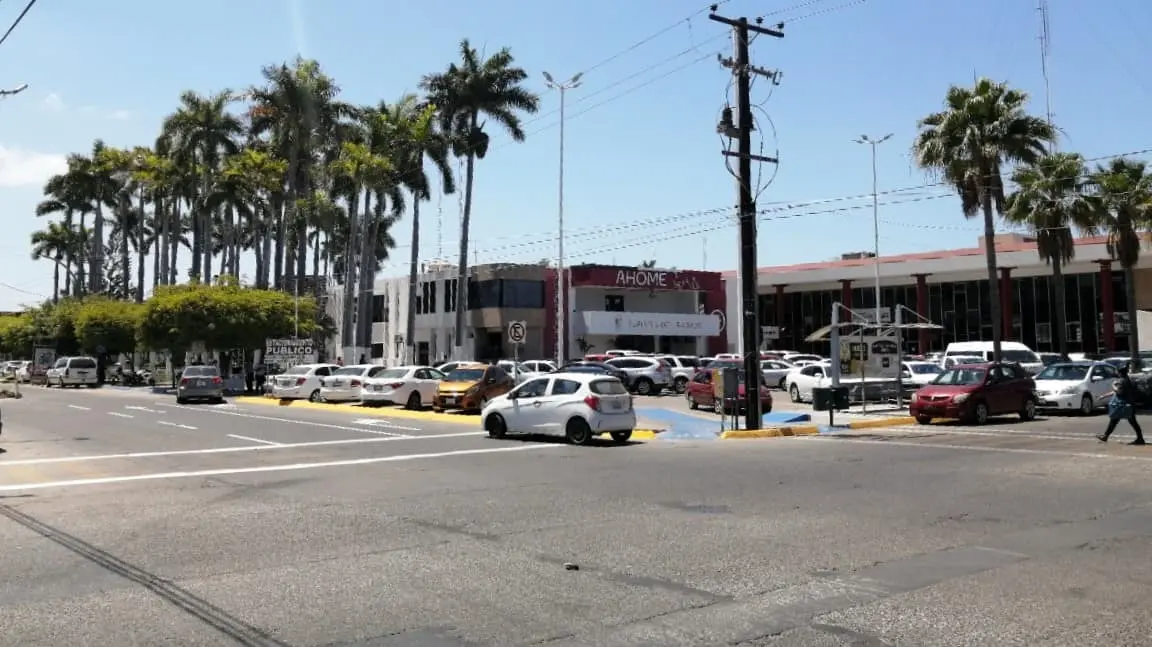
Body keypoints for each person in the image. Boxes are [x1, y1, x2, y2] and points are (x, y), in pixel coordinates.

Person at [1097, 364, 1146, 445]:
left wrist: (1113, 385)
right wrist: (1104, 396)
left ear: (1120, 372)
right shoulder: (1126, 379)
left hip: (1124, 405)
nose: (1116, 373)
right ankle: (1105, 436)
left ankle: (1140, 439)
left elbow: (1118, 391)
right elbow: (1117, 391)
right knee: (1117, 421)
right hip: (1127, 404)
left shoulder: (1122, 380)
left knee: (1127, 421)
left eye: (1117, 371)